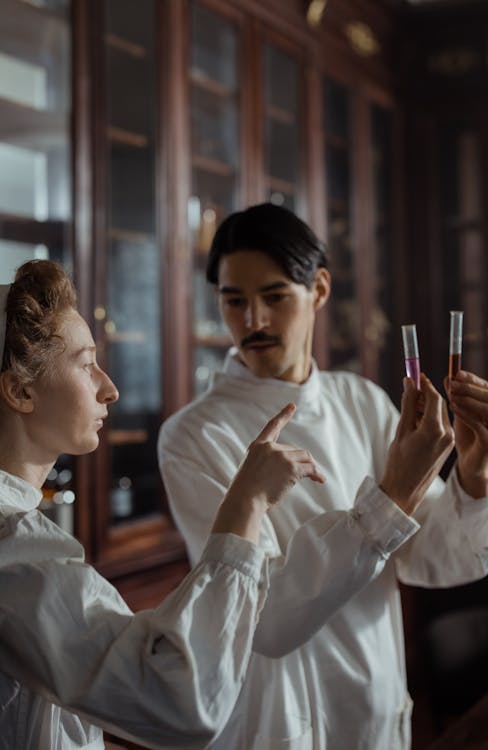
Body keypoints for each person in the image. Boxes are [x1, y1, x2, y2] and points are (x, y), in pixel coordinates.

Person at [158, 203, 488, 750]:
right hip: (282, 720)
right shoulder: (194, 435)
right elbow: (262, 618)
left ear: (318, 290)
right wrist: (390, 496)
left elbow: (435, 556)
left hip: (377, 700)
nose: (254, 322)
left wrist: (475, 471)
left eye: (274, 297)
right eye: (234, 301)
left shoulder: (360, 400)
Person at [0, 259, 326, 750]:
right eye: (86, 364)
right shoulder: (16, 556)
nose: (109, 387)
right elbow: (182, 698)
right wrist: (247, 502)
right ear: (21, 390)